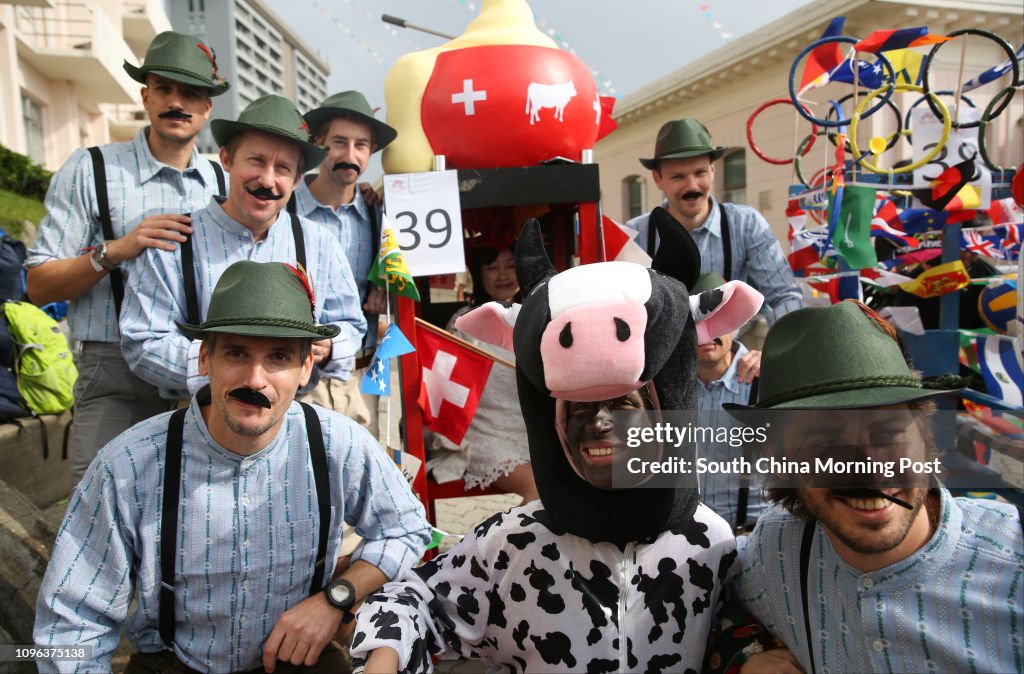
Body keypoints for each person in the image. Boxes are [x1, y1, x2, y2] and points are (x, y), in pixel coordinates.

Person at [350, 216, 763, 673]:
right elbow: (410, 599)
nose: (602, 423)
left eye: (621, 403)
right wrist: (384, 659)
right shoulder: (511, 542)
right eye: (581, 407)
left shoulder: (711, 542)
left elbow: (751, 630)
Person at [34, 260, 431, 673]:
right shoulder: (129, 466)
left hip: (299, 662)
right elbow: (71, 626)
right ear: (205, 358)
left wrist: (337, 598)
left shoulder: (337, 444)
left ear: (306, 368)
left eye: (278, 357)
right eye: (237, 353)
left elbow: (405, 527)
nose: (255, 379)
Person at [719, 300, 1022, 674]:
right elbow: (714, 606)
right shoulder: (777, 547)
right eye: (826, 442)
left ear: (923, 439)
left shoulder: (1013, 568)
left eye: (889, 433)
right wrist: (747, 655)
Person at [24, 31, 229, 484]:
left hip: (201, 370)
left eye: (191, 93)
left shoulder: (222, 181)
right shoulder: (91, 168)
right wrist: (116, 250)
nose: (177, 102)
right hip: (114, 369)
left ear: (207, 107)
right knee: (100, 509)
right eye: (165, 89)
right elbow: (38, 284)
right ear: (145, 95)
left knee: (193, 516)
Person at [119, 94, 366, 402]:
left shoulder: (320, 243)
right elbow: (141, 341)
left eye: (283, 168)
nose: (267, 179)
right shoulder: (174, 241)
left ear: (297, 179)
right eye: (256, 161)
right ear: (226, 159)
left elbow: (352, 326)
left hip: (298, 413)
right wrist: (226, 365)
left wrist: (330, 348)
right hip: (201, 417)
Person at [627, 117, 803, 381]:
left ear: (712, 169)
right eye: (678, 177)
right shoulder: (637, 235)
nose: (692, 186)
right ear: (658, 179)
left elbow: (784, 295)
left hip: (733, 360)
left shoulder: (745, 224)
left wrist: (777, 352)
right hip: (665, 363)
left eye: (699, 173)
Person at [292, 91, 396, 429]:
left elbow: (406, 277)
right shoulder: (284, 209)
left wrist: (385, 291)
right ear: (317, 141)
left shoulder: (378, 211)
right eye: (339, 142)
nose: (350, 155)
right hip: (296, 379)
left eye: (361, 145)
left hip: (361, 374)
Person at [431, 243, 538, 504]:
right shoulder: (465, 321)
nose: (502, 274)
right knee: (538, 492)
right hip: (481, 432)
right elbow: (444, 387)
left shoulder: (535, 314)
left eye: (511, 266)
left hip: (532, 427)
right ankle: (501, 544)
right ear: (478, 272)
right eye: (492, 267)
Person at [692, 272, 765, 531]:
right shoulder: (671, 388)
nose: (707, 333)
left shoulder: (766, 379)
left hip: (752, 534)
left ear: (735, 324)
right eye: (697, 323)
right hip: (690, 541)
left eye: (717, 321)